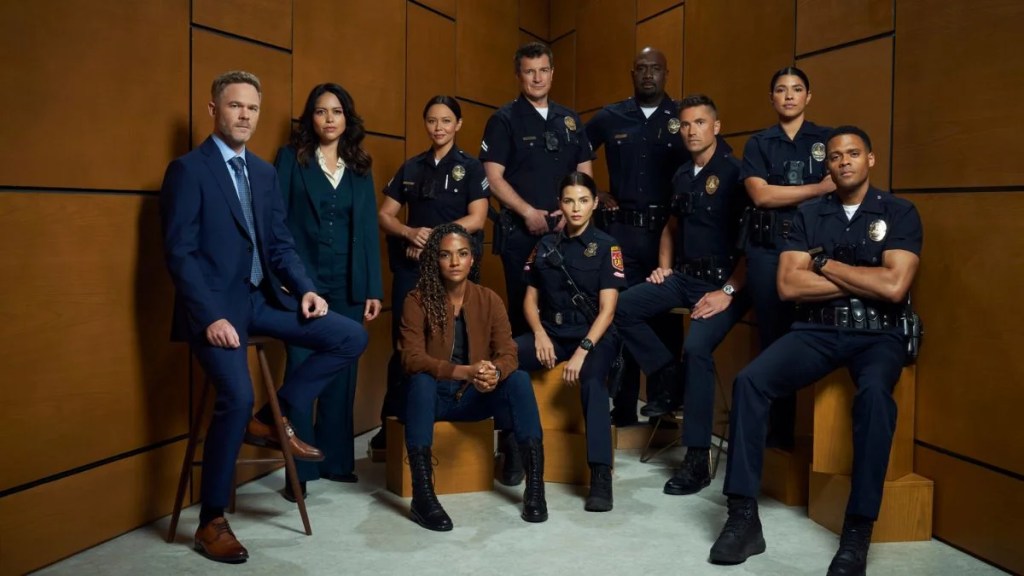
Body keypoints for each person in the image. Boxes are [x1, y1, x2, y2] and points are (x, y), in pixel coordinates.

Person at [160, 71, 368, 563]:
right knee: (236, 392)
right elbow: (180, 254)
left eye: (252, 108)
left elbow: (279, 244)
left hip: (261, 301)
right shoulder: (188, 171)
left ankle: (265, 423)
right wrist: (209, 315)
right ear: (214, 109)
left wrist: (308, 290)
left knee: (348, 336)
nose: (245, 116)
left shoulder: (264, 172)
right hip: (216, 311)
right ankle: (211, 520)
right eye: (235, 106)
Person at [710, 126, 923, 576]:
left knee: (874, 401)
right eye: (834, 155)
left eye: (853, 153)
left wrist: (824, 264)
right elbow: (789, 286)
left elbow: (894, 286)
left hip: (877, 335)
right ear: (826, 165)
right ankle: (743, 518)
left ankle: (856, 532)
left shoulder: (900, 212)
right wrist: (862, 278)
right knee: (750, 382)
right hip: (816, 331)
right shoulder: (807, 215)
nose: (843, 161)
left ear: (870, 159)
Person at [613, 95, 750, 495]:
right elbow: (671, 226)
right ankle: (667, 374)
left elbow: (751, 248)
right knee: (621, 308)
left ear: (716, 127)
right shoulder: (682, 174)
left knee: (697, 350)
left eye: (700, 123)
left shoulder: (737, 173)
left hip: (725, 284)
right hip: (684, 278)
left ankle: (696, 458)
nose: (691, 131)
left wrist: (727, 291)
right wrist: (665, 265)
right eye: (686, 124)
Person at [273, 83, 383, 500]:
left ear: (347, 118)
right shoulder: (291, 159)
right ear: (311, 118)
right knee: (301, 370)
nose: (329, 118)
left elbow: (368, 229)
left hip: (349, 284)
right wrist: (281, 276)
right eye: (321, 112)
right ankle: (299, 473)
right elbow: (275, 221)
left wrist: (372, 286)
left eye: (337, 111)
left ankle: (337, 461)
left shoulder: (359, 166)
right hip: (302, 285)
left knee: (342, 370)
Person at [399, 223, 546, 531]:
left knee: (517, 378)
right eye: (445, 255)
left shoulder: (488, 299)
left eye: (462, 254)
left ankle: (535, 489)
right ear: (434, 260)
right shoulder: (417, 300)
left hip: (474, 397)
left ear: (472, 259)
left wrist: (494, 372)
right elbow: (411, 359)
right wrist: (462, 371)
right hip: (433, 399)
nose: (454, 262)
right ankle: (423, 496)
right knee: (420, 381)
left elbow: (508, 352)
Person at [371, 95, 490, 454]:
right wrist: (410, 233)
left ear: (458, 124)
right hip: (413, 270)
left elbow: (478, 218)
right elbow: (384, 215)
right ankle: (392, 424)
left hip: (457, 268)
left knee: (459, 341)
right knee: (407, 346)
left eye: (446, 121)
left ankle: (453, 415)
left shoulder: (471, 167)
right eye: (432, 121)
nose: (439, 128)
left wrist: (434, 237)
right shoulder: (412, 167)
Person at [585, 47, 687, 427]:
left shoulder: (681, 118)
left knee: (667, 317)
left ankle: (666, 403)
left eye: (655, 69)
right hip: (621, 232)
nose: (648, 75)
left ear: (666, 73)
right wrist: (595, 193)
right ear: (632, 73)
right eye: (641, 68)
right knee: (619, 314)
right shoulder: (612, 116)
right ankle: (623, 407)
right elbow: (575, 152)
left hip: (668, 233)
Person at [515, 171, 625, 512]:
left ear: (594, 204)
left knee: (592, 381)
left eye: (582, 200)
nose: (575, 208)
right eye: (568, 200)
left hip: (593, 336)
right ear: (559, 204)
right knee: (507, 358)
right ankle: (512, 449)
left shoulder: (608, 247)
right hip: (552, 332)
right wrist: (539, 333)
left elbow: (608, 311)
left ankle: (600, 476)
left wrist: (583, 351)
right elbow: (529, 301)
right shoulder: (545, 246)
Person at [741, 66, 835, 448]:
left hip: (816, 250)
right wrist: (817, 188)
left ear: (808, 96)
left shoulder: (827, 139)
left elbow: (840, 188)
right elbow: (762, 196)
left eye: (797, 89)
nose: (789, 96)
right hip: (768, 249)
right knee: (773, 338)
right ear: (772, 98)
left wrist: (794, 192)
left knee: (814, 335)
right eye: (781, 90)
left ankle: (811, 438)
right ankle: (776, 436)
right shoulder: (759, 143)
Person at [481, 41, 593, 339]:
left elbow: (584, 174)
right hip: (521, 235)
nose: (537, 78)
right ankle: (523, 384)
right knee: (523, 316)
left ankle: (565, 384)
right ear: (519, 75)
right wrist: (527, 212)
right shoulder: (504, 120)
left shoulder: (570, 119)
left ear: (552, 73)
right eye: (529, 72)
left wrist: (572, 213)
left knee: (571, 312)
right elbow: (492, 178)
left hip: (567, 233)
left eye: (543, 70)